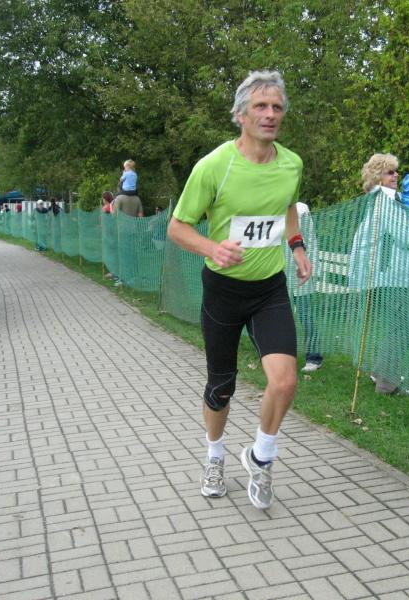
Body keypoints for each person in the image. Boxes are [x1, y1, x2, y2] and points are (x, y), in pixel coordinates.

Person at [167, 70, 310, 510]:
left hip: (269, 288)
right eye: (260, 107)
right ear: (240, 115)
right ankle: (214, 457)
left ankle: (261, 457)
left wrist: (297, 246)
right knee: (221, 385)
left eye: (277, 107)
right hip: (223, 290)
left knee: (285, 381)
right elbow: (178, 227)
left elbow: (287, 206)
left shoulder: (291, 164)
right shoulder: (214, 166)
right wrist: (213, 248)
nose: (270, 114)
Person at [349, 153, 409, 394]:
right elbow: (407, 237)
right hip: (395, 276)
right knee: (402, 328)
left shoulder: (390, 200)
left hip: (397, 274)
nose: (396, 175)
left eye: (396, 171)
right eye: (389, 172)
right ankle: (386, 384)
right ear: (377, 177)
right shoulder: (386, 202)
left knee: (399, 326)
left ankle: (381, 372)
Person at [288, 202, 324, 373]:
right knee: (280, 317)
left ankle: (314, 357)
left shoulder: (301, 209)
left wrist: (314, 270)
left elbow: (311, 240)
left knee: (306, 315)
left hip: (301, 271)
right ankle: (284, 357)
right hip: (278, 273)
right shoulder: (269, 204)